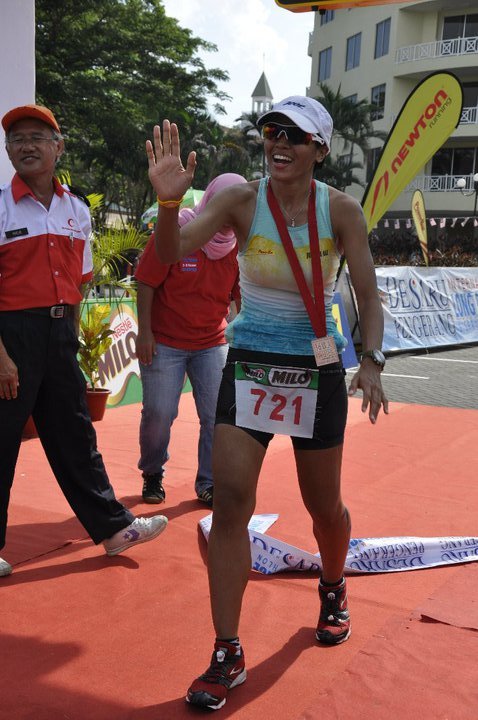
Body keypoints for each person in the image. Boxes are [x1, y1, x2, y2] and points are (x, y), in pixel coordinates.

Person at [145, 95, 389, 711]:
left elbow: (367, 292)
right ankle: (226, 650)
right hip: (251, 362)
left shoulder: (341, 210)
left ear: (319, 149)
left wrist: (373, 361)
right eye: (271, 131)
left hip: (317, 364)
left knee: (323, 506)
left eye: (294, 136)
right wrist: (170, 203)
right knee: (230, 503)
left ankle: (332, 585)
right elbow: (171, 254)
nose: (279, 143)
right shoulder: (238, 200)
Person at [0, 104, 168, 579]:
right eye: (16, 139)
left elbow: (81, 279)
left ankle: (114, 529)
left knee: (76, 435)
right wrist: (1, 357)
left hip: (59, 335)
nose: (26, 146)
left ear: (59, 147)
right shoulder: (0, 206)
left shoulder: (76, 208)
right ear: (8, 151)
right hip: (10, 337)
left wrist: (68, 339)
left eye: (37, 137)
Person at [134, 174, 247, 506]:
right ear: (210, 200)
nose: (228, 213)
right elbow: (146, 282)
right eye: (223, 204)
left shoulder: (238, 245)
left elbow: (242, 296)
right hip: (164, 341)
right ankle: (152, 472)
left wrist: (245, 339)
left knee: (217, 415)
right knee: (159, 414)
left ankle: (209, 481)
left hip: (212, 342)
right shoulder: (176, 232)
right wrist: (144, 332)